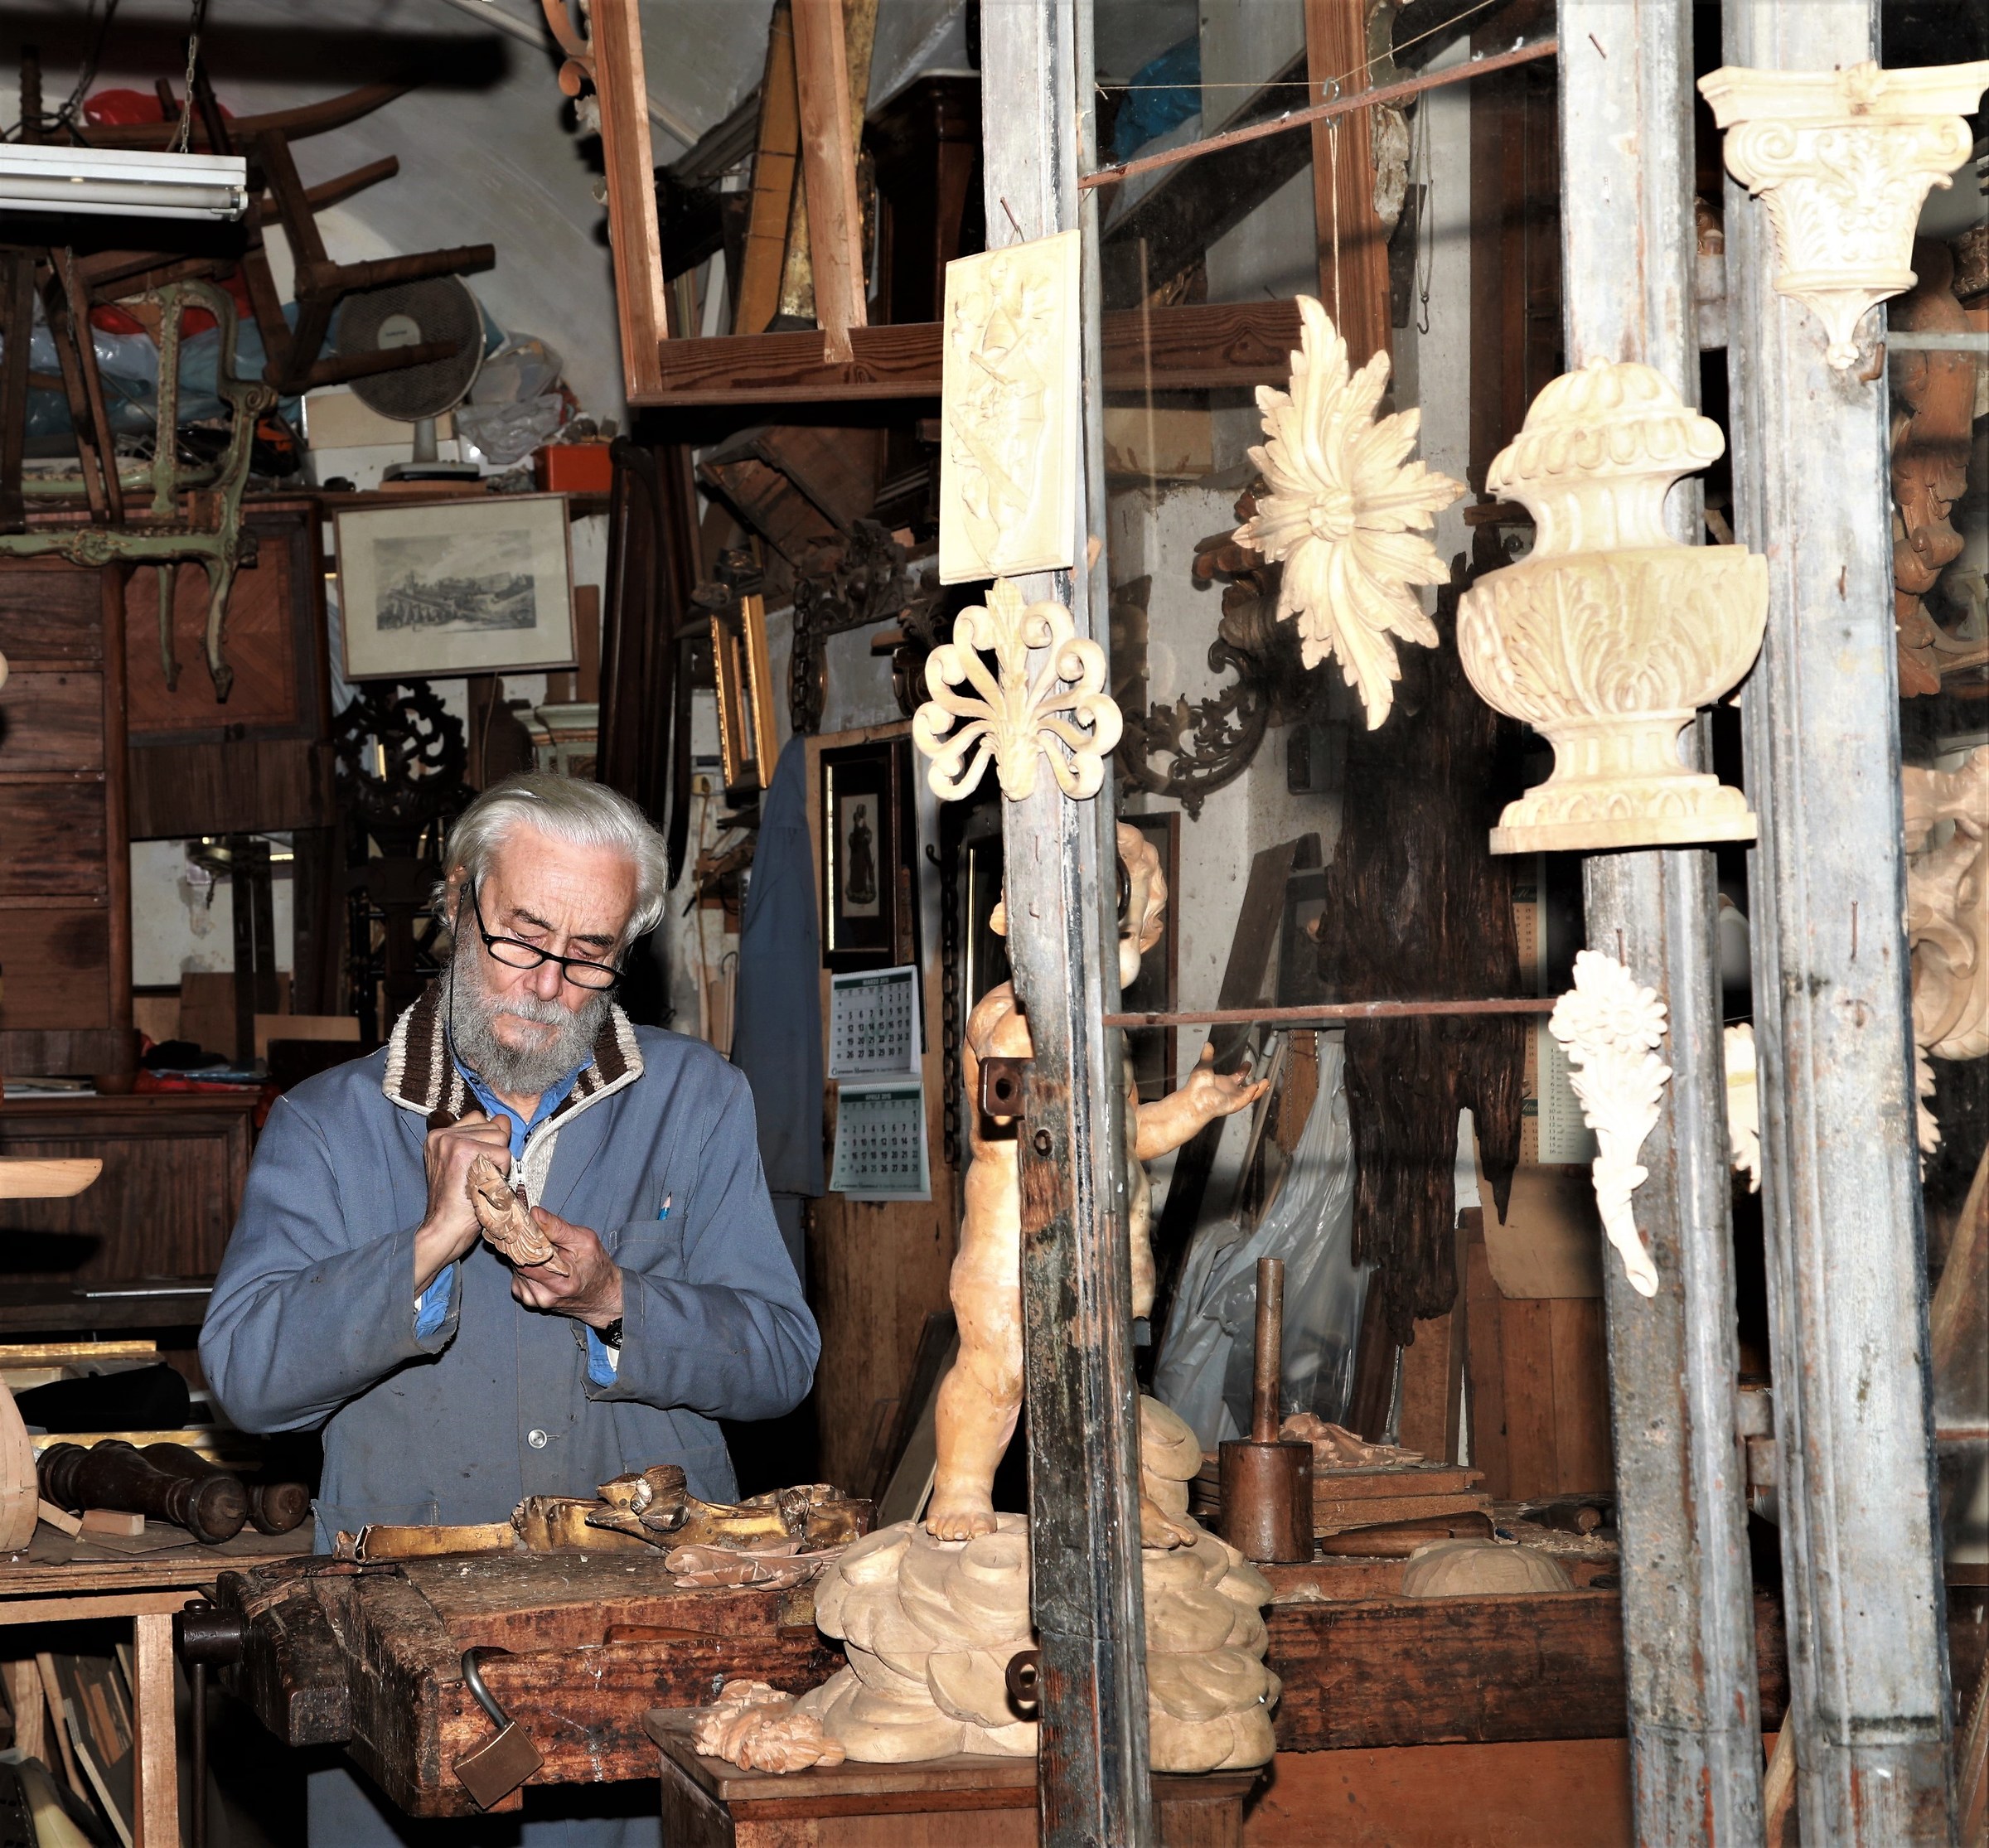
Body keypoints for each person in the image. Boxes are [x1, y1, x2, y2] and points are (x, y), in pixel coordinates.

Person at [201, 772, 818, 1846]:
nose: (545, 983)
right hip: (406, 1664)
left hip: (649, 1661)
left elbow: (782, 1360)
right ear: (457, 900)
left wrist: (620, 1299)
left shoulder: (698, 1097)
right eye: (521, 939)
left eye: (588, 956)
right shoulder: (327, 1124)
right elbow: (248, 1382)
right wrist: (426, 1246)